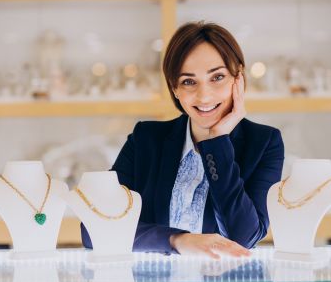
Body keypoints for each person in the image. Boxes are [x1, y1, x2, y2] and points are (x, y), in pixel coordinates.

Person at [81, 21, 285, 259]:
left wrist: (218, 142)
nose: (204, 95)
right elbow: (93, 229)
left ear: (238, 78)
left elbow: (244, 238)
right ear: (174, 88)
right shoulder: (146, 138)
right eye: (189, 81)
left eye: (217, 77)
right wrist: (177, 239)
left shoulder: (264, 143)